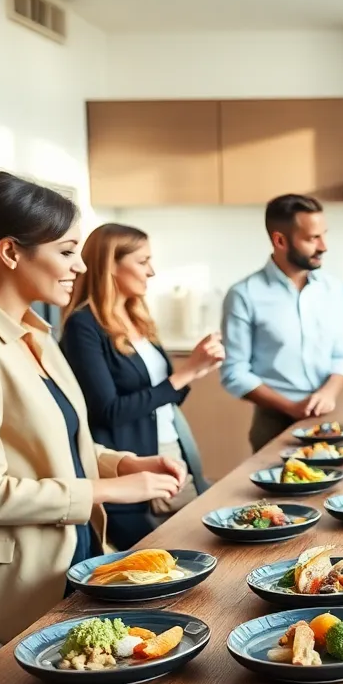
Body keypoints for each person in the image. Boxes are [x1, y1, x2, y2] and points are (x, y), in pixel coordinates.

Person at [0, 172, 184, 643]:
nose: (79, 266)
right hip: (15, 586)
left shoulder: (34, 335)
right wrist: (111, 491)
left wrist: (122, 464)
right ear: (11, 252)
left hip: (70, 556)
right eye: (67, 250)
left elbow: (57, 448)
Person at [60, 223, 224, 549]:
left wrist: (195, 371)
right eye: (142, 261)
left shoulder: (138, 318)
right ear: (111, 265)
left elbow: (161, 399)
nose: (152, 271)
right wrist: (183, 374)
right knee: (166, 555)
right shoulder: (83, 325)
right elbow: (108, 411)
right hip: (131, 462)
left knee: (203, 544)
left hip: (174, 450)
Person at [221, 194, 343, 451]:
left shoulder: (332, 288)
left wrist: (328, 393)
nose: (324, 246)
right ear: (280, 240)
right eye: (312, 238)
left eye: (323, 234)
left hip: (325, 421)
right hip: (273, 424)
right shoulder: (244, 294)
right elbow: (234, 372)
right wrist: (291, 408)